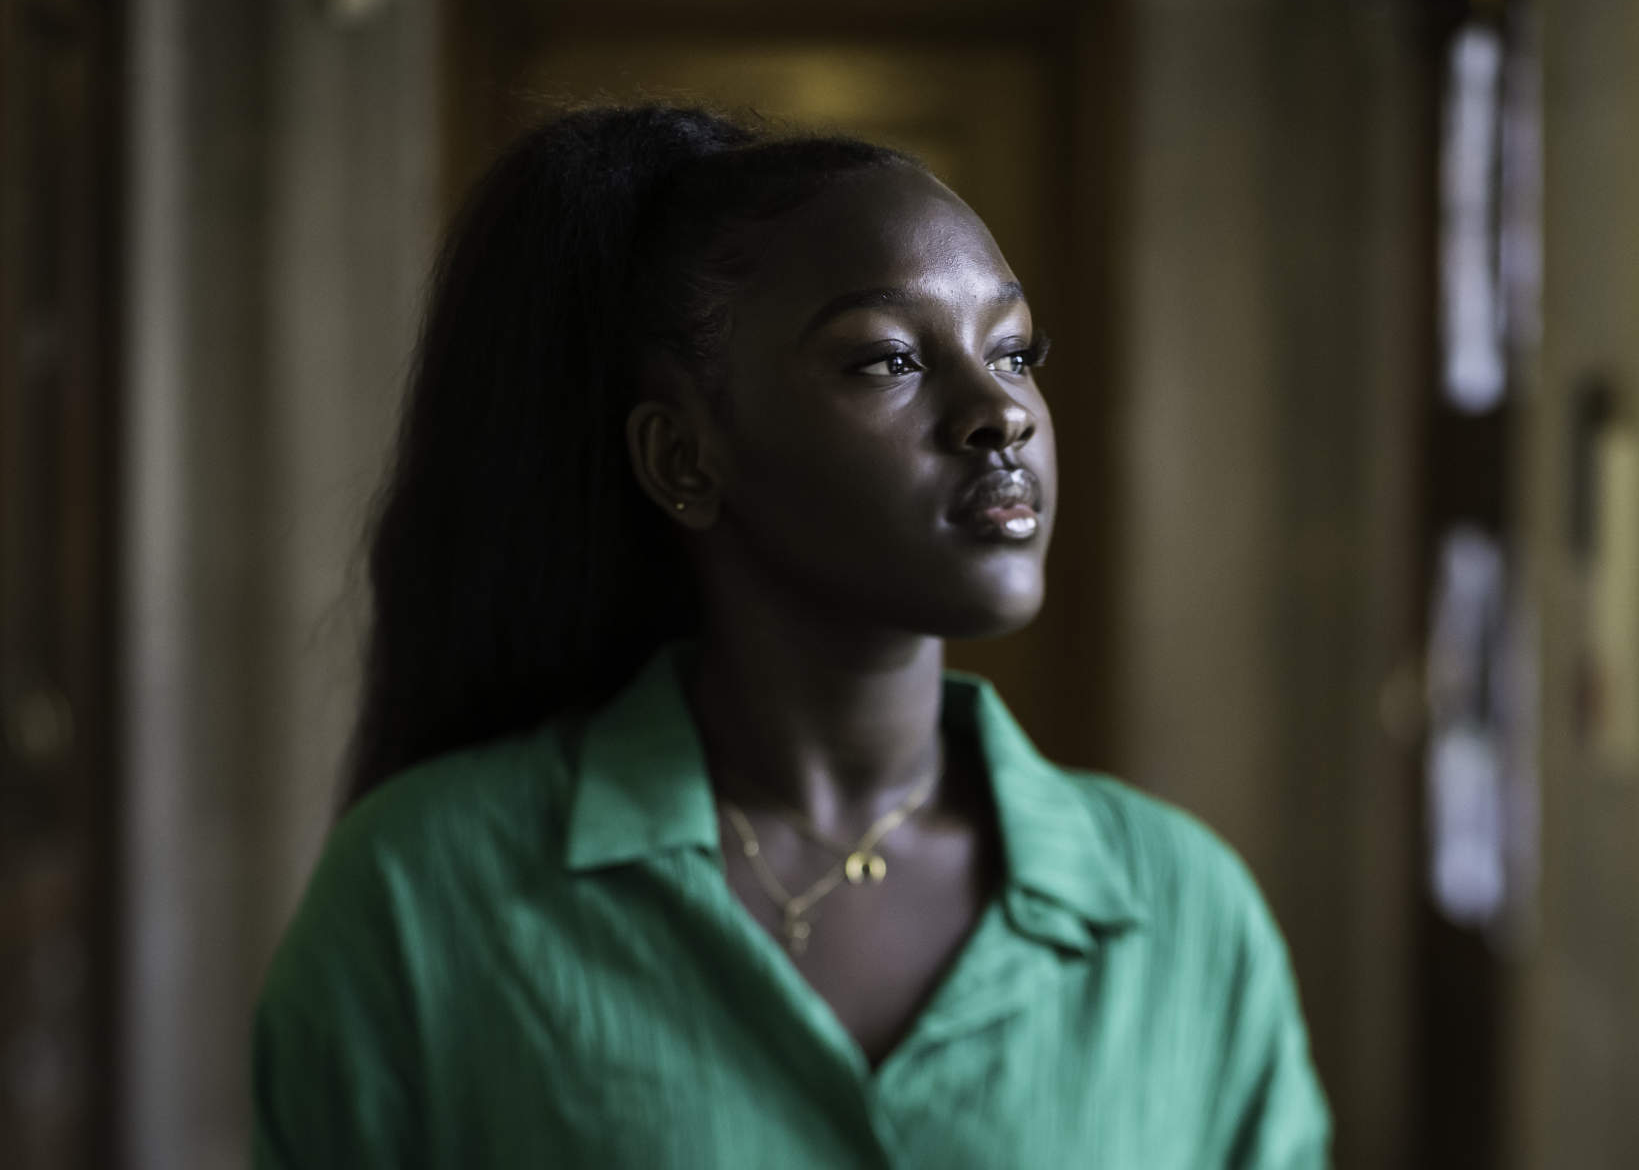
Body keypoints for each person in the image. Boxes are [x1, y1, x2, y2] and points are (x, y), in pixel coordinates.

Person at [252, 104, 1331, 1168]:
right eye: (888, 360)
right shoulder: (420, 894)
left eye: (1013, 349)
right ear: (682, 455)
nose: (998, 413)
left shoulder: (1183, 914)